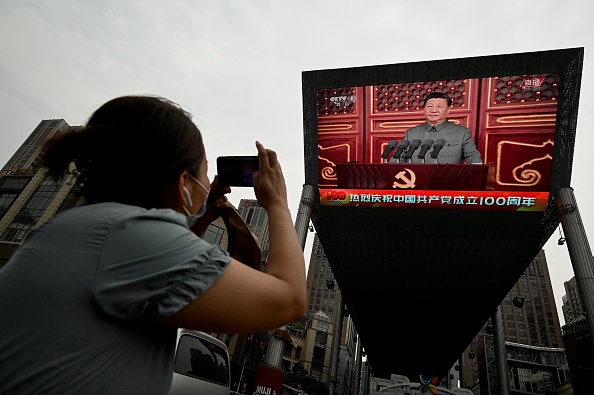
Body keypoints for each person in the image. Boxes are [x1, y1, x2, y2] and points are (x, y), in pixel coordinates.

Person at [0, 95, 307, 394]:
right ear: (182, 183)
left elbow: (181, 259)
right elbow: (289, 300)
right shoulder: (132, 236)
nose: (207, 180)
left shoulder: (84, 226)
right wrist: (278, 204)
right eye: (203, 172)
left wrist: (205, 208)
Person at [390, 91, 483, 164]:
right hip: (416, 184)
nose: (433, 110)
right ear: (424, 109)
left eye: (439, 106)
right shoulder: (411, 133)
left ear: (448, 110)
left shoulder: (462, 133)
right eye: (430, 106)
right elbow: (397, 160)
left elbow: (472, 157)